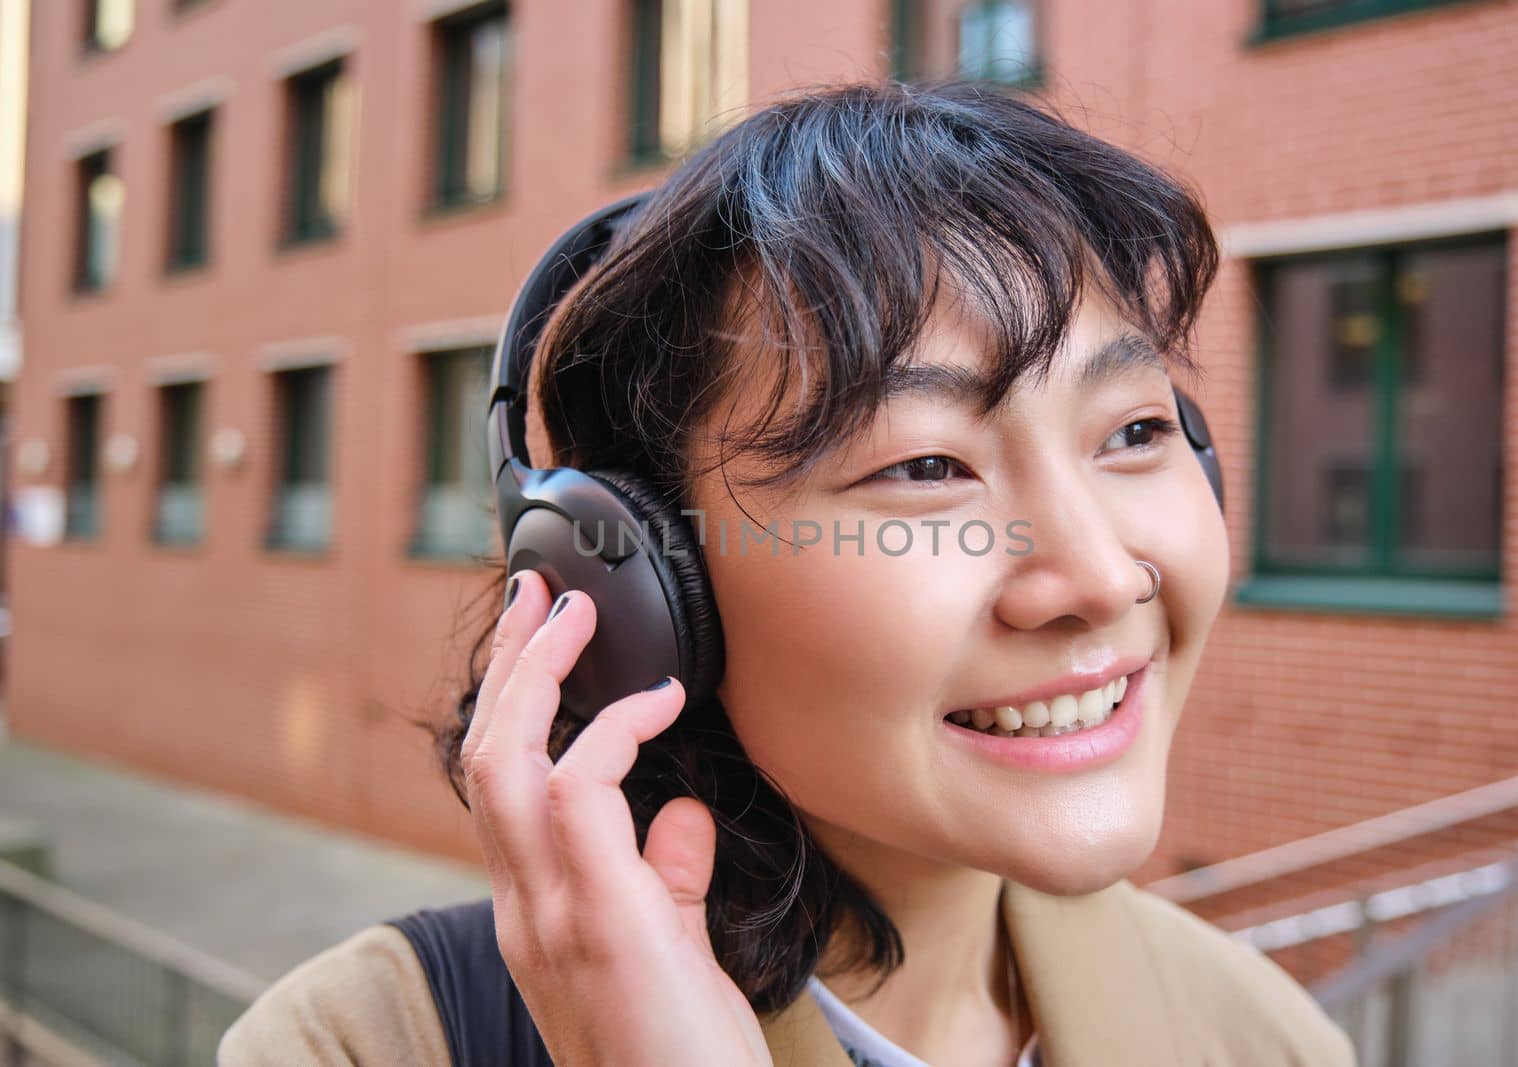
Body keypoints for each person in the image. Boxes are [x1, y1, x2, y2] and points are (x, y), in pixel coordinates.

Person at [219, 80, 1357, 1066]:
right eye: (924, 465)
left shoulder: (1260, 1034)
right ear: (642, 591)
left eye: (1133, 431)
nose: (1100, 578)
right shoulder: (361, 1042)